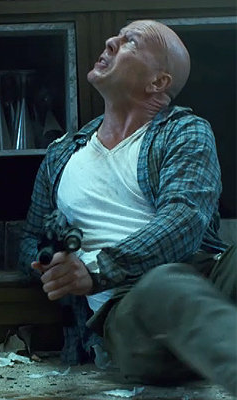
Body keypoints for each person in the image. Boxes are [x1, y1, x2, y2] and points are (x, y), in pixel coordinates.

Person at [19, 20, 236, 395]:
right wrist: (52, 265)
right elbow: (31, 238)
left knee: (177, 278)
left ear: (157, 82)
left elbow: (184, 219)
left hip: (208, 277)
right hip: (129, 308)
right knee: (164, 285)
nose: (110, 41)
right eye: (117, 37)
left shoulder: (184, 131)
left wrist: (96, 268)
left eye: (129, 41)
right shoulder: (61, 156)